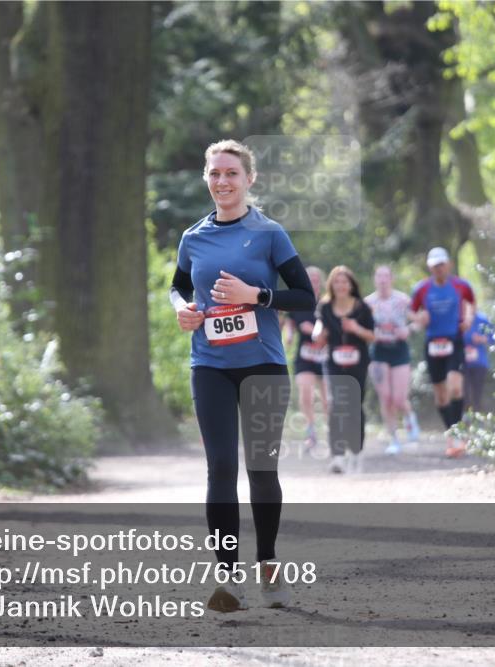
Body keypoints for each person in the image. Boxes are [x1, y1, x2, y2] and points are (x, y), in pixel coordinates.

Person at [170, 139, 315, 612]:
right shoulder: (193, 237)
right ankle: (229, 578)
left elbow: (305, 296)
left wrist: (257, 295)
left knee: (260, 470)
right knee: (220, 470)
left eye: (231, 173)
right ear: (206, 179)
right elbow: (178, 285)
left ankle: (268, 563)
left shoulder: (269, 233)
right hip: (209, 365)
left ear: (249, 179)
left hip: (263, 366)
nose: (222, 181)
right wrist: (183, 309)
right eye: (214, 173)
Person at [410, 247, 474, 458]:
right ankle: (452, 434)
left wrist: (468, 319)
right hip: (432, 343)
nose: (438, 269)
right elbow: (411, 310)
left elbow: (471, 304)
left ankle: (457, 433)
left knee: (455, 387)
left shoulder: (460, 285)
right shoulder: (421, 289)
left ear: (448, 265)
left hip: (454, 341)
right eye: (434, 265)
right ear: (430, 267)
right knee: (440, 395)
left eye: (441, 264)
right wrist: (419, 318)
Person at [312, 266, 375, 474]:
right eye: (337, 281)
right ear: (331, 284)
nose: (341, 285)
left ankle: (356, 450)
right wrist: (319, 335)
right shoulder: (325, 306)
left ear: (351, 285)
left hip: (358, 362)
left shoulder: (362, 307)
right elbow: (319, 329)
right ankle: (338, 455)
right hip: (334, 363)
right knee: (336, 404)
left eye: (344, 281)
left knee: (355, 405)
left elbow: (372, 336)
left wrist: (356, 329)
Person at [364, 265, 420, 456]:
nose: (382, 280)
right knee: (385, 397)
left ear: (391, 278)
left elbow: (420, 319)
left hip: (399, 350)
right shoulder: (368, 303)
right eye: (379, 276)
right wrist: (372, 335)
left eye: (386, 276)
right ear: (374, 279)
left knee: (398, 398)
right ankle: (393, 438)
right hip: (378, 351)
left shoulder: (402, 300)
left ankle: (409, 416)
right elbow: (361, 328)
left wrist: (409, 329)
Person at [283, 266, 328, 451]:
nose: (314, 281)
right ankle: (311, 432)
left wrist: (319, 332)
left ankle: (331, 431)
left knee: (328, 399)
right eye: (310, 278)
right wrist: (290, 333)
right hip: (304, 355)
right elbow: (289, 320)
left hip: (325, 354)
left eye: (317, 278)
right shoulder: (299, 299)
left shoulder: (327, 302)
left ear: (321, 281)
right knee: (306, 394)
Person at [463, 310, 495, 414]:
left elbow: (493, 338)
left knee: (477, 393)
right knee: (464, 394)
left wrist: (482, 339)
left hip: (479, 363)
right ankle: (466, 420)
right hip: (461, 363)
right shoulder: (458, 318)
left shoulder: (482, 319)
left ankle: (477, 419)